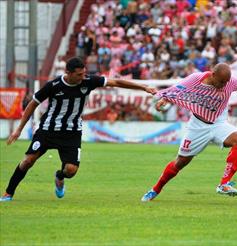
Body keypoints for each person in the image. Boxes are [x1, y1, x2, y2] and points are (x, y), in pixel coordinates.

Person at [0, 57, 157, 202]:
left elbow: (116, 82)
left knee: (71, 170)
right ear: (68, 73)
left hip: (72, 132)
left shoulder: (88, 81)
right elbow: (33, 103)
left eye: (84, 73)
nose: (83, 77)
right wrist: (19, 129)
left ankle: (59, 177)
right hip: (48, 130)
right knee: (28, 160)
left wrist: (143, 87)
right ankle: (8, 193)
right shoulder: (53, 85)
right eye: (79, 74)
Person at [141, 63, 237, 202]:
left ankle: (224, 184)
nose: (223, 85)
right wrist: (164, 98)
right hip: (197, 126)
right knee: (180, 163)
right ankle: (155, 189)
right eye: (221, 81)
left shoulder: (230, 82)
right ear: (213, 74)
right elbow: (178, 89)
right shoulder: (195, 79)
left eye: (226, 82)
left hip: (218, 123)